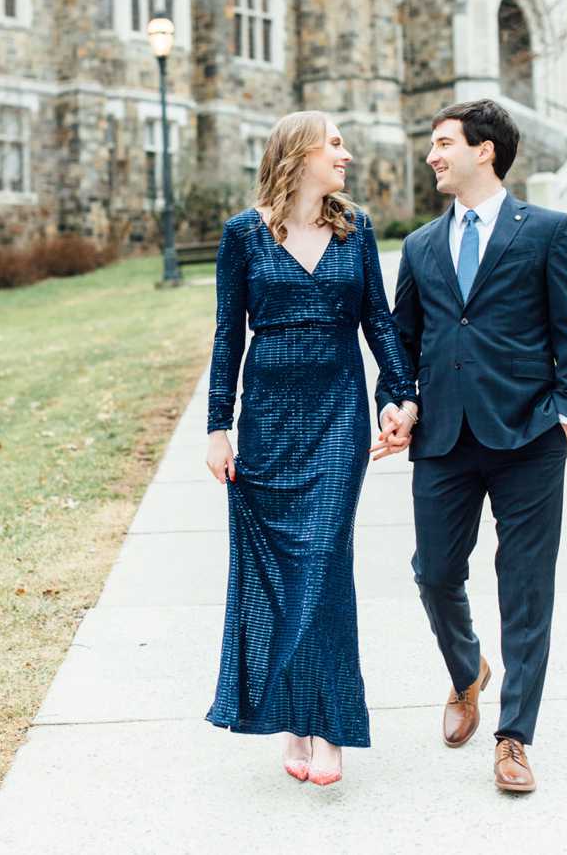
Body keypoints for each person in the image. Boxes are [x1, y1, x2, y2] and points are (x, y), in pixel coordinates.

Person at [374, 99, 567, 793]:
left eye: (443, 144)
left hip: (529, 435)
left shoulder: (548, 231)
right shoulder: (420, 246)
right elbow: (401, 346)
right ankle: (468, 672)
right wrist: (397, 402)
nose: (433, 156)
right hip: (443, 439)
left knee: (525, 590)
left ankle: (513, 738)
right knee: (435, 572)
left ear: (484, 151)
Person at [205, 110, 418, 787]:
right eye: (334, 144)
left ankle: (329, 727)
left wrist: (399, 392)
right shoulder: (243, 235)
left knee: (323, 561)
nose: (346, 155)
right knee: (278, 572)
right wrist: (217, 425)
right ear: (298, 154)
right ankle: (293, 717)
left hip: (336, 420)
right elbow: (224, 338)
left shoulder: (355, 232)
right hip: (267, 422)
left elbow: (378, 321)